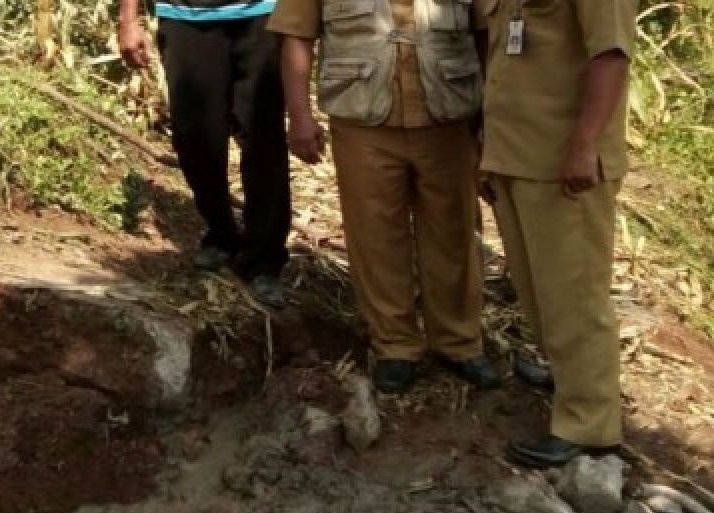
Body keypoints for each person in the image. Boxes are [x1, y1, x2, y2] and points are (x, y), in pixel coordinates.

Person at [267, 0, 501, 394]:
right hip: (363, 119)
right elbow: (296, 33)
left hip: (447, 116)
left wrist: (490, 122)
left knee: (454, 233)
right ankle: (395, 345)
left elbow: (487, 35)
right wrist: (299, 115)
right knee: (374, 235)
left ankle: (459, 342)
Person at [478, 0, 636, 467]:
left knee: (575, 296)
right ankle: (571, 378)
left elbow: (610, 57)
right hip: (517, 155)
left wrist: (584, 146)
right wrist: (490, 153)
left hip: (564, 163)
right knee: (536, 291)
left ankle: (589, 425)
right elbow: (503, 61)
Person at [118, 0, 291, 309]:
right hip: (185, 17)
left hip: (263, 14)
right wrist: (129, 20)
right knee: (195, 136)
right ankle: (222, 233)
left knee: (264, 139)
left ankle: (264, 261)